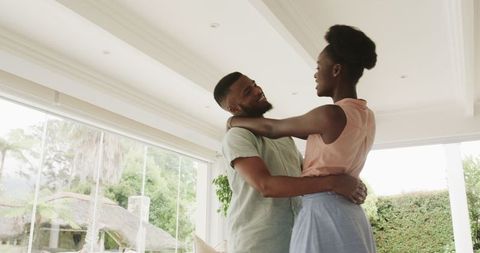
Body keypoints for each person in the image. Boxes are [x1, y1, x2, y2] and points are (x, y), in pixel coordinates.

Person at [227, 24, 377, 253]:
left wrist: (232, 122)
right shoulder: (366, 115)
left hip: (322, 211)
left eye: (319, 67)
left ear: (336, 70)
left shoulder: (329, 114)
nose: (316, 73)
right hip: (350, 213)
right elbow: (278, 131)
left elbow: (272, 127)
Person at [213, 75, 367, 251]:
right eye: (248, 92)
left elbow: (307, 174)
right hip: (259, 243)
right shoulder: (237, 136)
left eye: (254, 84)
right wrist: (335, 183)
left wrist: (348, 184)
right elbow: (266, 185)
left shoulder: (283, 136)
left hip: (297, 237)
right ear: (234, 108)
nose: (258, 90)